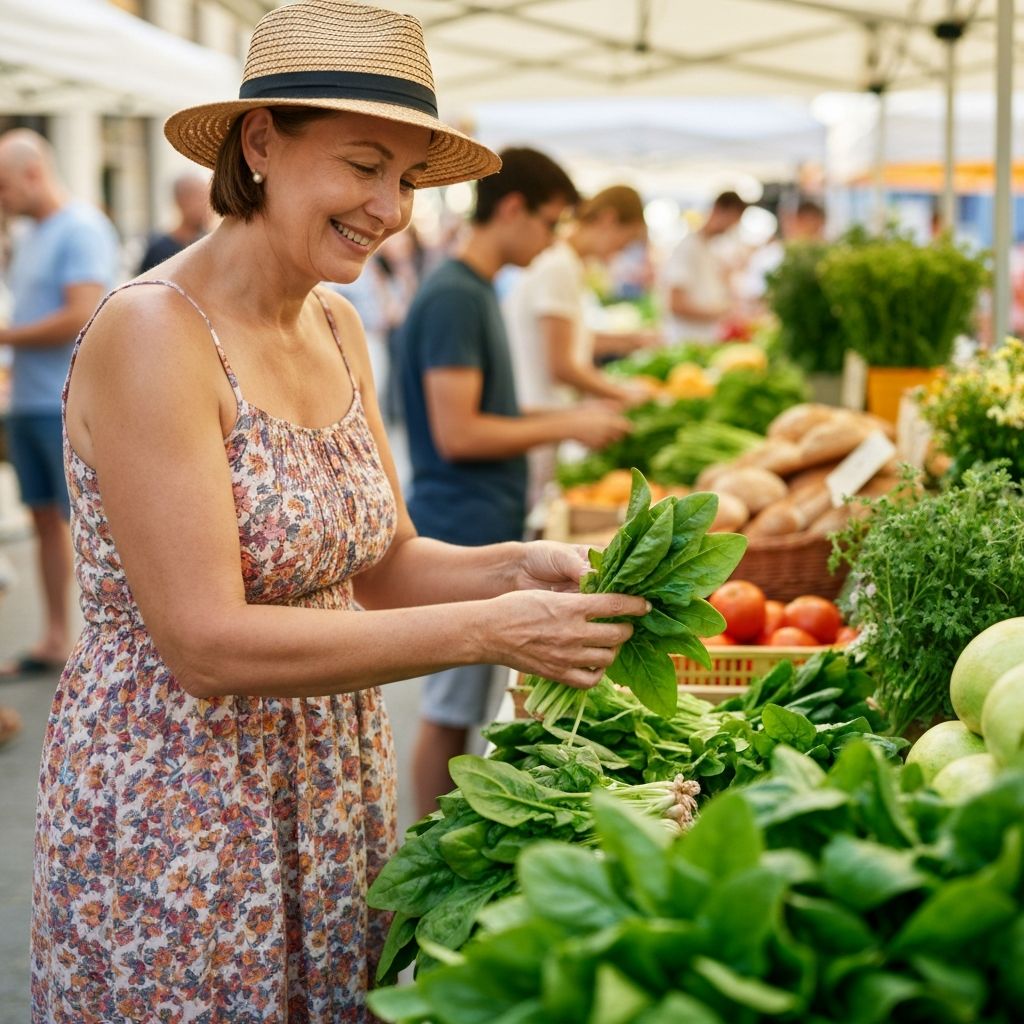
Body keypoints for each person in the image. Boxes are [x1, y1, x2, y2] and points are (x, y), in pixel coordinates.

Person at [29, 4, 647, 1021]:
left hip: (327, 788)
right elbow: (206, 645)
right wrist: (490, 631)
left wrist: (518, 568)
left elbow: (383, 559)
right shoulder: (153, 333)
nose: (390, 207)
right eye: (364, 165)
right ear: (261, 142)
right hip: (181, 813)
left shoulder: (337, 318)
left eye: (405, 179)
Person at [400, 147, 633, 817]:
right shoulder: (454, 297)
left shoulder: (474, 291)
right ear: (511, 210)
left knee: (462, 709)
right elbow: (460, 432)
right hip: (459, 523)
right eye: (550, 222)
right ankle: (426, 848)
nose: (555, 239)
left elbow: (490, 413)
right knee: (448, 714)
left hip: (481, 517)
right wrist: (564, 426)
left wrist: (573, 417)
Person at [0, 128, 119, 678]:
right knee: (46, 520)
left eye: (3, 185)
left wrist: (6, 337)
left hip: (66, 404)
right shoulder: (30, 233)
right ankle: (55, 637)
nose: (1, 197)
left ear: (31, 173)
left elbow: (82, 314)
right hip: (28, 401)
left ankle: (114, 646)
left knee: (93, 526)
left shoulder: (81, 226)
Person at [504, 184, 656, 502]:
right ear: (608, 220)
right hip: (537, 417)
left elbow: (572, 341)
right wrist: (623, 394)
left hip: (543, 415)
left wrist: (630, 342)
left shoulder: (567, 264)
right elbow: (561, 365)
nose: (617, 252)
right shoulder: (559, 266)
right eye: (623, 240)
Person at [663, 189, 748, 344]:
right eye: (732, 220)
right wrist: (720, 312)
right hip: (686, 344)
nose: (731, 228)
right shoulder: (688, 248)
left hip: (704, 342)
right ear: (719, 210)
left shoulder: (710, 248)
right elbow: (675, 304)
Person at [136, 170, 213, 274]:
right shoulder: (158, 250)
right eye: (199, 197)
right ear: (180, 201)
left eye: (207, 197)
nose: (206, 205)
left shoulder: (214, 245)